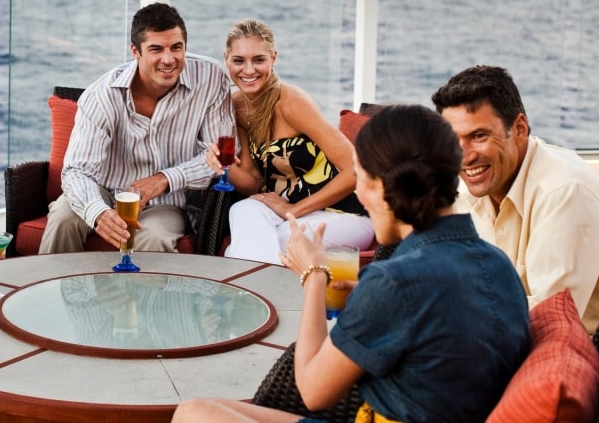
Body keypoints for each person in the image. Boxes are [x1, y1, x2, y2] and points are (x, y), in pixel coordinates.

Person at [174, 104, 531, 423]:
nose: (358, 194)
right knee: (204, 409)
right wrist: (372, 299)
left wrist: (314, 276)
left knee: (193, 414)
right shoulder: (498, 265)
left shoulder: (396, 282)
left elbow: (313, 392)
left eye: (361, 179)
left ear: (385, 187)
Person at [432, 64, 599, 335]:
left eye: (478, 136)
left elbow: (550, 320)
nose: (464, 156)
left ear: (520, 129)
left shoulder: (563, 192)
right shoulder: (472, 187)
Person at [38, 2, 234, 253]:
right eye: (156, 49)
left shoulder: (210, 79)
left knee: (153, 236)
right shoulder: (102, 95)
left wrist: (165, 179)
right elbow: (76, 171)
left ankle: (140, 294)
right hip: (105, 192)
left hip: (168, 204)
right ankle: (49, 290)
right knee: (64, 217)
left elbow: (219, 158)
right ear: (136, 51)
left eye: (177, 47)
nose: (168, 59)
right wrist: (98, 212)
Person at [211, 19, 373, 264]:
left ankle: (257, 296)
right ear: (226, 59)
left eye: (258, 60)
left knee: (257, 245)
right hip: (286, 214)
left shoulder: (291, 103)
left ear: (273, 59)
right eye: (238, 60)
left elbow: (356, 170)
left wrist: (295, 210)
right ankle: (267, 296)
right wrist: (219, 163)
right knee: (242, 209)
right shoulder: (237, 106)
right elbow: (253, 184)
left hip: (344, 214)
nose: (248, 70)